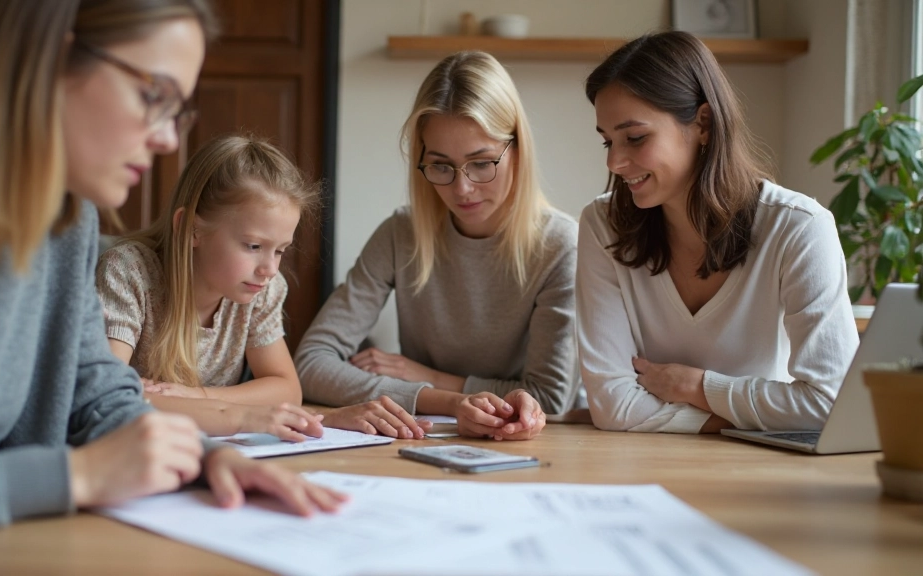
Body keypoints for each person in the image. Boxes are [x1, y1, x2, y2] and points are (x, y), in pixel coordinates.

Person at [0, 0, 343, 537]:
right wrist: (76, 476)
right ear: (50, 62)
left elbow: (97, 392)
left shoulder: (66, 218)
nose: (168, 140)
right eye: (153, 96)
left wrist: (201, 460)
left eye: (176, 111)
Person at [577, 31, 859, 434]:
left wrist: (696, 386)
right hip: (642, 465)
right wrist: (736, 416)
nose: (616, 162)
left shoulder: (799, 228)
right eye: (608, 141)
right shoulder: (602, 225)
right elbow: (613, 406)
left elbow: (829, 403)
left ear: (703, 124)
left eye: (635, 138)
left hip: (762, 476)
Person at [295, 51, 580, 441]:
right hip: (427, 434)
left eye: (482, 163)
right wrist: (444, 400)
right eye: (441, 166)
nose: (462, 189)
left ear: (517, 150)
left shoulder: (560, 245)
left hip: (528, 444)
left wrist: (427, 377)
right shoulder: (400, 233)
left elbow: (548, 399)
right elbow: (311, 363)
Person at [96, 134, 325, 442]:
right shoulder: (128, 272)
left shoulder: (263, 289)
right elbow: (105, 393)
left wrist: (196, 397)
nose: (270, 269)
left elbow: (286, 388)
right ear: (191, 229)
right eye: (254, 245)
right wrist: (232, 414)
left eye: (281, 250)